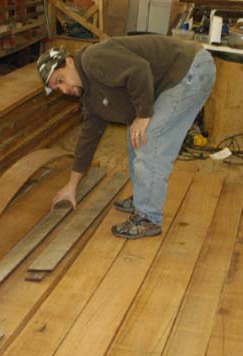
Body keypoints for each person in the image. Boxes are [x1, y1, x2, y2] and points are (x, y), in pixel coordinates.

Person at [36, 35, 215, 239]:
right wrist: (72, 185)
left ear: (69, 62)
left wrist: (143, 115)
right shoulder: (90, 96)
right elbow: (88, 138)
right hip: (177, 77)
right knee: (135, 135)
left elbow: (139, 70)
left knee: (149, 139)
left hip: (190, 70)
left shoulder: (92, 59)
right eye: (57, 89)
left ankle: (148, 218)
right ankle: (142, 198)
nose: (64, 89)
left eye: (60, 80)